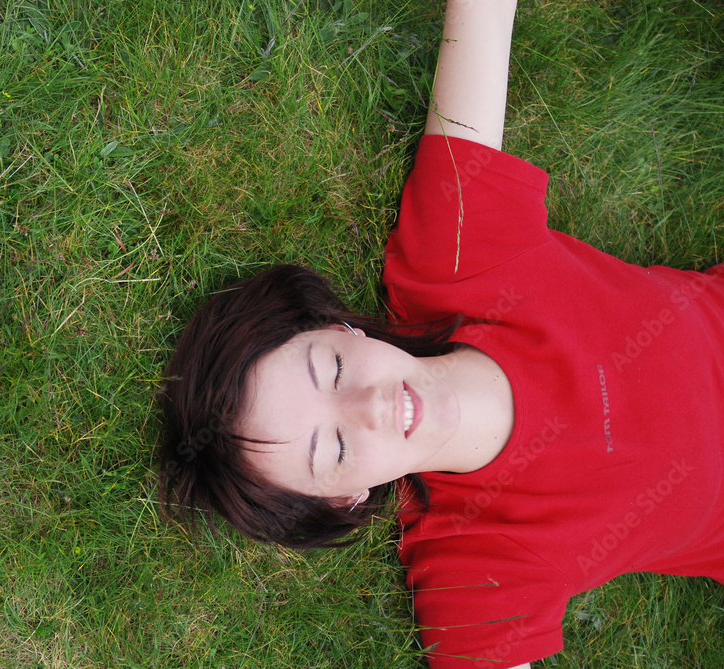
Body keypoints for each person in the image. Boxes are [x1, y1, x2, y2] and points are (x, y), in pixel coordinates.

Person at [157, 1, 724, 667]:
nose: (369, 407)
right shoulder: (471, 566)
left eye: (332, 369)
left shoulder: (454, 261)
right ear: (346, 497)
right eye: (334, 447)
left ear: (339, 328)